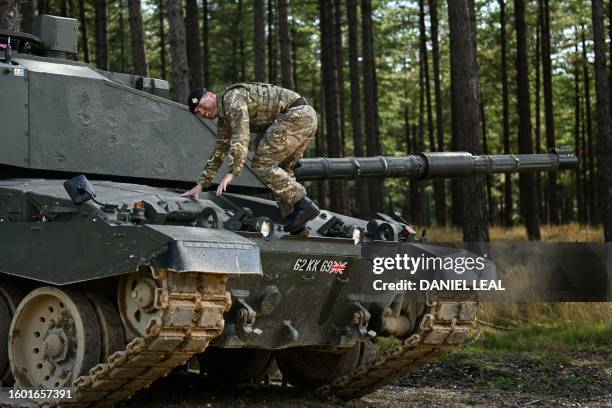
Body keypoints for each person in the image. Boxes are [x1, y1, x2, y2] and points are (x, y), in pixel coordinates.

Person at [181, 83, 320, 233]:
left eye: (201, 106)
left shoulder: (231, 99)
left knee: (262, 164)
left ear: (211, 96)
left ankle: (302, 204)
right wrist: (201, 184)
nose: (202, 112)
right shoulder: (224, 120)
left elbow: (241, 134)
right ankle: (296, 221)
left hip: (295, 114)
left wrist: (233, 172)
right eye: (198, 112)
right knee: (281, 171)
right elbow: (219, 151)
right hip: (304, 117)